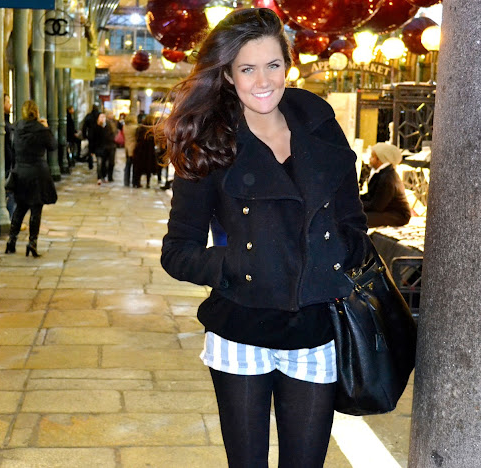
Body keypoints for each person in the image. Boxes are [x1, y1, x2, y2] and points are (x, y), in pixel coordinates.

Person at [158, 9, 369, 468]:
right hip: (240, 330)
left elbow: (353, 222)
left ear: (288, 65)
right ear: (228, 75)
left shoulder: (320, 124)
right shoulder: (209, 140)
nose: (262, 81)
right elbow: (177, 252)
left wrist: (334, 261)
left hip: (315, 328)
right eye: (247, 68)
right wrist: (241, 264)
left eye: (273, 65)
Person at [5, 100, 58, 258]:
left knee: (20, 208)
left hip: (21, 172)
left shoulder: (16, 128)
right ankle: (32, 243)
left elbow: (13, 148)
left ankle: (11, 241)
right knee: (36, 209)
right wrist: (47, 128)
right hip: (37, 173)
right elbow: (53, 146)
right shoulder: (40, 129)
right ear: (36, 112)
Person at [361, 142, 412, 228]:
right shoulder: (380, 173)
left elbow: (377, 206)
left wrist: (355, 204)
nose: (370, 159)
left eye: (372, 157)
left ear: (380, 160)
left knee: (357, 218)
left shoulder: (388, 177)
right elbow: (370, 196)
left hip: (397, 215)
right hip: (385, 210)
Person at [133, 115, 158, 188]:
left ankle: (137, 182)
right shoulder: (152, 130)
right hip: (149, 151)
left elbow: (137, 138)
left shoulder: (139, 128)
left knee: (138, 167)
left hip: (140, 150)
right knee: (148, 168)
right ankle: (148, 183)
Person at [94, 112, 117, 185]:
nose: (102, 119)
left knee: (106, 163)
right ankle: (99, 177)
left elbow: (111, 135)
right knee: (99, 163)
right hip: (99, 148)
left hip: (108, 147)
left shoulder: (108, 126)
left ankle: (105, 176)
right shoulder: (96, 126)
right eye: (101, 117)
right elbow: (94, 137)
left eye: (103, 117)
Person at [4, 94, 16, 217]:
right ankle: (10, 218)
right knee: (10, 193)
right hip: (6, 164)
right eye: (7, 102)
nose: (10, 104)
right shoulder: (5, 125)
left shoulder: (8, 124)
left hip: (10, 163)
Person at [81, 104, 100, 170]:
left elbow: (84, 126)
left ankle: (90, 163)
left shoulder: (89, 116)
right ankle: (98, 162)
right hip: (98, 134)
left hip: (91, 134)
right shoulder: (99, 115)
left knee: (90, 149)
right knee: (98, 149)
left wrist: (84, 135)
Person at [122, 114, 138, 187]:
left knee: (127, 165)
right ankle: (134, 182)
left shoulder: (124, 127)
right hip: (134, 148)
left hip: (127, 147)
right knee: (135, 166)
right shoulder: (135, 128)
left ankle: (126, 181)